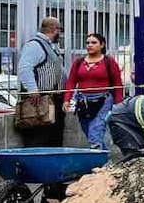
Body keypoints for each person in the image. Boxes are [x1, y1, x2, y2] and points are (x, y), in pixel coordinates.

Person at [63, 33, 122, 150]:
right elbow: (71, 82)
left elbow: (117, 84)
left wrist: (118, 104)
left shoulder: (109, 62)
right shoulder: (78, 62)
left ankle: (98, 165)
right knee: (91, 134)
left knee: (95, 135)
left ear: (102, 45)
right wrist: (66, 100)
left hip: (103, 102)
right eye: (88, 43)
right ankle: (105, 161)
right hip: (82, 102)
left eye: (94, 43)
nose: (90, 45)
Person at [16, 16, 66, 149]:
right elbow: (24, 68)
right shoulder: (35, 45)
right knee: (39, 138)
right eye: (59, 30)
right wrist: (33, 90)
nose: (59, 34)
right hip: (41, 101)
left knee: (53, 138)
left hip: (53, 100)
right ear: (54, 29)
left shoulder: (51, 46)